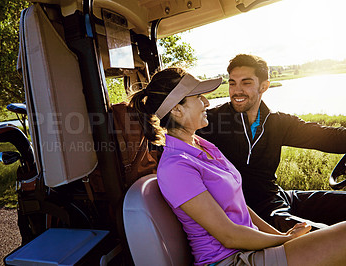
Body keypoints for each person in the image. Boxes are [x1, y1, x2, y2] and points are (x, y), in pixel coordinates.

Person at [129, 67, 346, 266]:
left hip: (249, 247)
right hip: (231, 260)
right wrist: (284, 240)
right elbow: (229, 236)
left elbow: (241, 206)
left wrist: (281, 238)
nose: (207, 102)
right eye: (198, 97)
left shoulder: (203, 145)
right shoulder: (176, 167)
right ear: (176, 110)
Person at [197, 54, 346, 231]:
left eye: (246, 83)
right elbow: (176, 135)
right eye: (232, 83)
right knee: (323, 235)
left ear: (264, 86)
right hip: (253, 210)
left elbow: (326, 136)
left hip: (278, 195)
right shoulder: (212, 120)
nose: (236, 91)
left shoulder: (278, 122)